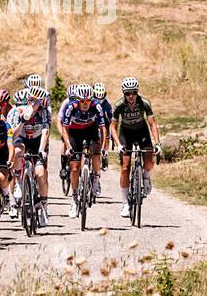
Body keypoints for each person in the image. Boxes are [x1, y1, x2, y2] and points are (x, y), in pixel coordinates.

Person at [111, 77, 161, 219]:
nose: (131, 96)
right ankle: (125, 203)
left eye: (133, 92)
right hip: (126, 133)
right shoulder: (119, 105)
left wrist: (157, 143)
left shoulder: (144, 102)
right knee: (125, 167)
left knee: (149, 159)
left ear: (137, 92)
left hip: (142, 131)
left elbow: (152, 124)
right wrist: (118, 145)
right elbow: (113, 127)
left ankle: (145, 176)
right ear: (124, 93)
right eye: (127, 93)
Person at [59, 83, 105, 218]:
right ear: (77, 100)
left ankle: (96, 178)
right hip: (74, 133)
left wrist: (104, 148)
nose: (85, 104)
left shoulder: (97, 106)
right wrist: (69, 146)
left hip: (90, 130)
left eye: (88, 101)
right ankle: (74, 199)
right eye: (82, 101)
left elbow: (103, 128)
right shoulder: (70, 107)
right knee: (74, 168)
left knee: (96, 153)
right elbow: (65, 129)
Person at [8, 87, 50, 226]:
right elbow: (12, 135)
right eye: (31, 101)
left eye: (37, 102)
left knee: (41, 174)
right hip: (22, 140)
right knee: (18, 151)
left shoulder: (44, 113)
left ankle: (44, 206)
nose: (34, 105)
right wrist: (22, 121)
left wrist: (42, 150)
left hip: (37, 142)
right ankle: (19, 184)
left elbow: (45, 131)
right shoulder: (16, 111)